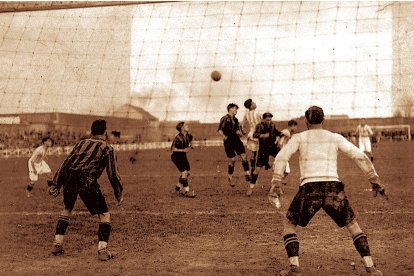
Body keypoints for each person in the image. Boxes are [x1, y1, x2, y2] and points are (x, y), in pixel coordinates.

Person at [269, 106, 386, 276]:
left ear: (306, 122)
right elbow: (359, 155)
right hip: (333, 188)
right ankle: (371, 268)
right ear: (323, 121)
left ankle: (294, 268)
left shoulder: (299, 137)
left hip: (310, 188)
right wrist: (374, 179)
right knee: (352, 225)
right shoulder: (334, 137)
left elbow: (281, 157)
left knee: (289, 224)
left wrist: (276, 181)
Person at [48, 119, 123, 261]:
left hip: (69, 178)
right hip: (86, 180)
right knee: (104, 215)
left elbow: (66, 163)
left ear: (91, 131)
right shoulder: (108, 148)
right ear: (105, 131)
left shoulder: (81, 143)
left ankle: (57, 244)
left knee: (67, 208)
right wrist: (118, 193)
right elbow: (113, 174)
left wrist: (56, 184)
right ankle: (102, 251)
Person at [247, 112, 281, 196]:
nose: (269, 121)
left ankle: (277, 186)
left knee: (282, 161)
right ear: (263, 119)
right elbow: (255, 135)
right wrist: (262, 135)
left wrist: (282, 133)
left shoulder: (272, 125)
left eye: (270, 120)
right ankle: (250, 188)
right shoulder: (259, 126)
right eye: (267, 120)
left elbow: (276, 132)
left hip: (273, 148)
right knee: (257, 169)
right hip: (263, 150)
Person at [218, 103, 251, 186]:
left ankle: (247, 174)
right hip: (228, 141)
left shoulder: (236, 120)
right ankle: (230, 177)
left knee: (244, 156)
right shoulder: (224, 118)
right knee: (232, 160)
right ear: (231, 109)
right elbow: (219, 130)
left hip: (236, 140)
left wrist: (242, 133)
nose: (236, 110)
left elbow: (237, 131)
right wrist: (224, 136)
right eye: (235, 109)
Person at [171, 121, 196, 198]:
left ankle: (177, 188)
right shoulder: (177, 138)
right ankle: (187, 191)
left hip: (183, 156)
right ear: (182, 128)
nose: (188, 126)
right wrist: (183, 150)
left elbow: (192, 138)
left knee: (187, 173)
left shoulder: (188, 135)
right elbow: (173, 149)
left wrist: (191, 144)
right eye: (186, 125)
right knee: (184, 173)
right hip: (176, 157)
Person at [241, 98, 262, 175]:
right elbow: (263, 123)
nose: (255, 103)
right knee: (261, 153)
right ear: (251, 106)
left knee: (253, 154)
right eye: (253, 103)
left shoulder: (246, 114)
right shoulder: (258, 113)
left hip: (251, 135)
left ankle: (252, 168)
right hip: (259, 135)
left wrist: (243, 130)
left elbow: (242, 124)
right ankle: (257, 169)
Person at [276, 120, 298, 185]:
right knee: (285, 171)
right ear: (292, 126)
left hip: (281, 154)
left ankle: (276, 184)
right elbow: (280, 143)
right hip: (281, 154)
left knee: (284, 171)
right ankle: (276, 184)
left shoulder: (286, 132)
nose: (296, 128)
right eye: (295, 127)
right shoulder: (286, 132)